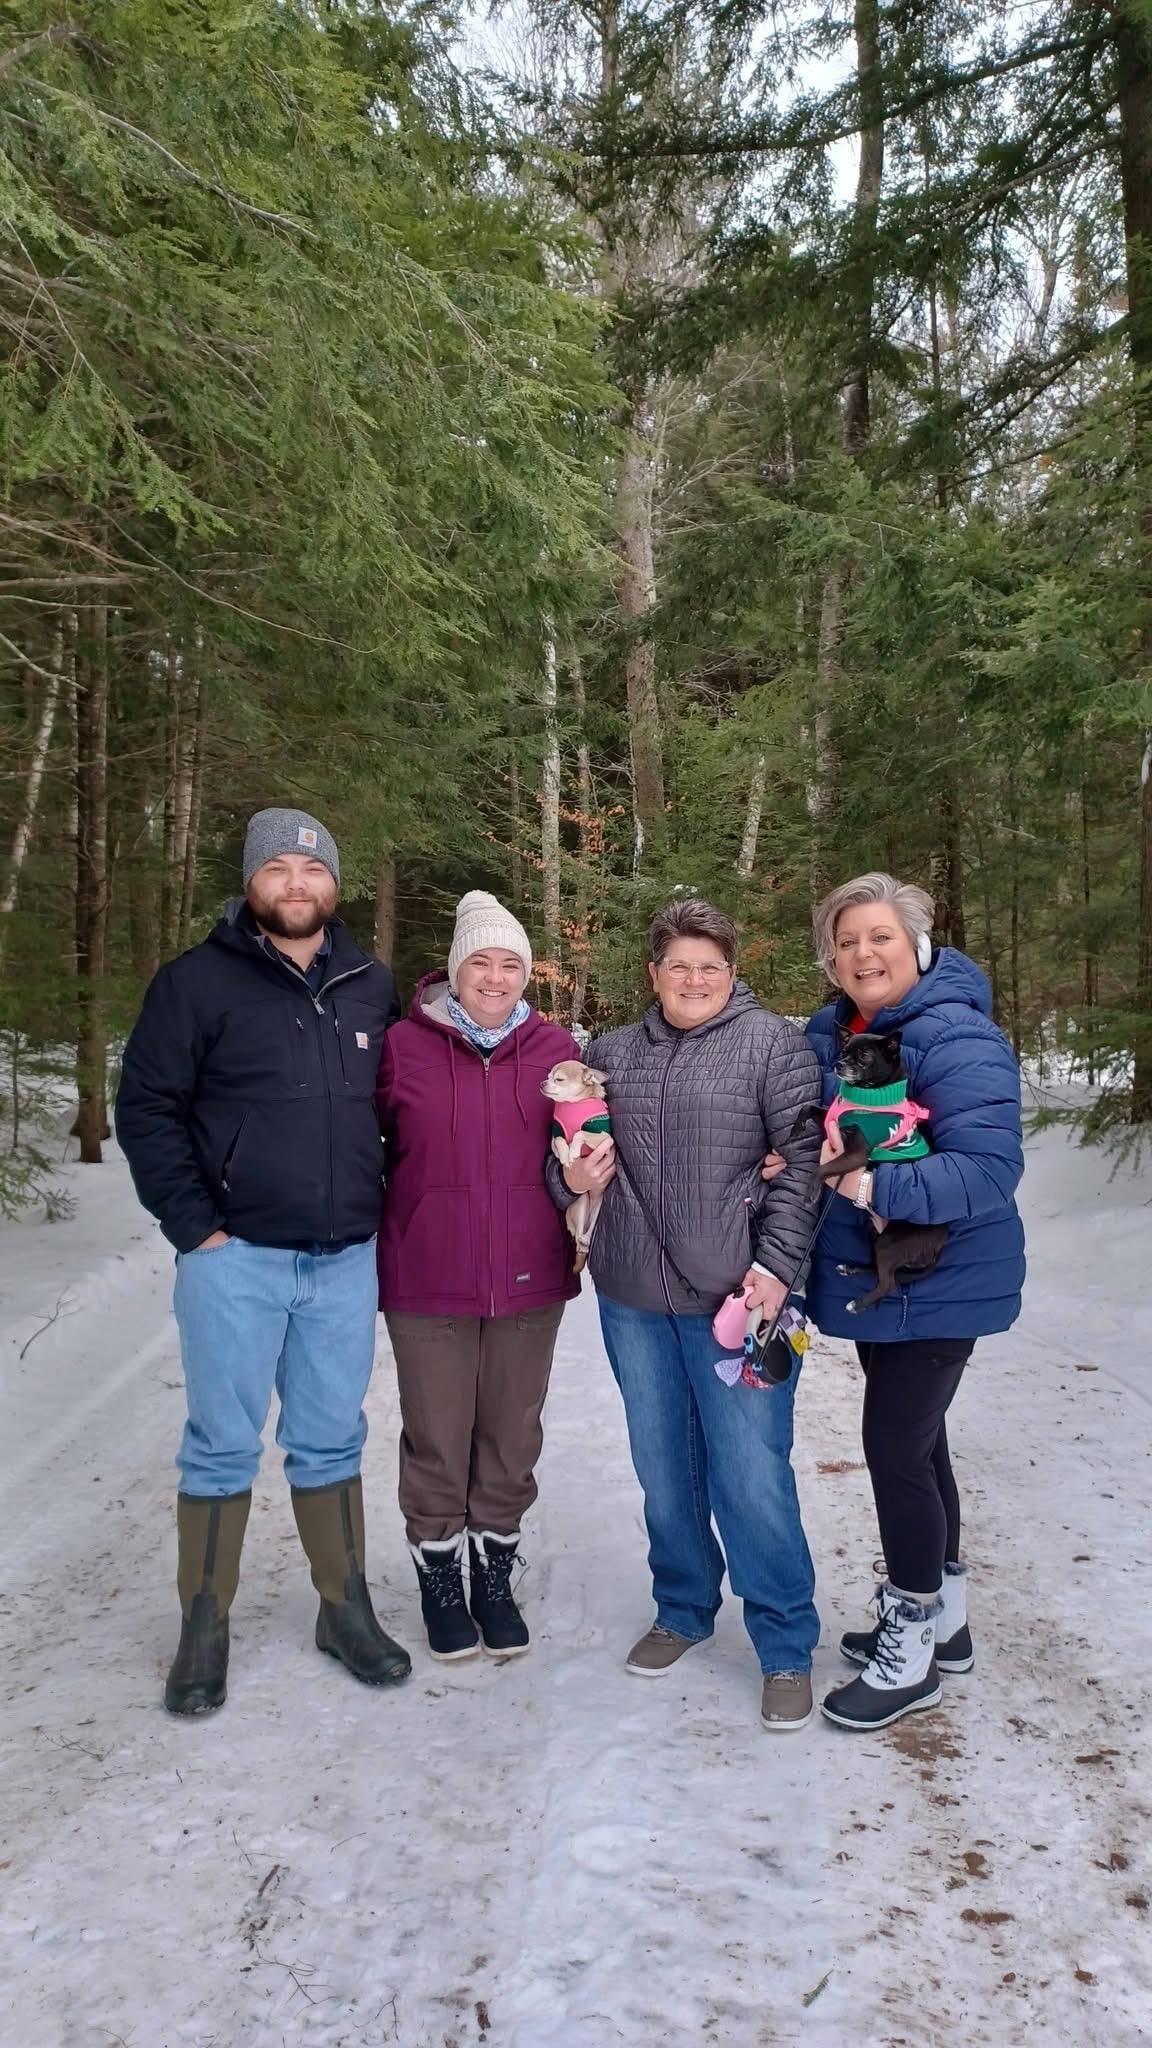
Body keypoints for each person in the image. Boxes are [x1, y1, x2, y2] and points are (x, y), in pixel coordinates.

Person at [116, 808, 412, 1715]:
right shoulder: (195, 983)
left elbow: (404, 1108)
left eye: (312, 868)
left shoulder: (370, 984)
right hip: (234, 1258)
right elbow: (147, 1107)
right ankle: (203, 1627)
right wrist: (194, 1224)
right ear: (251, 881)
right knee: (220, 1445)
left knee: (331, 1436)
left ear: (334, 884)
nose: (296, 882)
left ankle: (344, 1609)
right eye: (277, 867)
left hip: (342, 1260)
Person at [554, 898, 824, 1732]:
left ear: (732, 973)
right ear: (654, 973)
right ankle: (683, 1605)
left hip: (741, 1302)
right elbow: (569, 1148)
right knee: (664, 1466)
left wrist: (776, 1269)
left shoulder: (772, 1046)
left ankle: (784, 1642)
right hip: (634, 1300)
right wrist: (570, 1180)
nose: (695, 979)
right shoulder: (609, 1054)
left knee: (752, 1474)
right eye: (680, 965)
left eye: (711, 966)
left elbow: (803, 1166)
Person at [772, 872, 1025, 1732]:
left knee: (894, 1448)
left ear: (915, 945)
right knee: (922, 1443)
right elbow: (829, 1135)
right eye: (845, 942)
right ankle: (946, 1623)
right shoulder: (838, 1034)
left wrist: (869, 1183)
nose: (862, 953)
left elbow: (987, 1169)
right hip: (886, 1280)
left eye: (879, 936)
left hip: (941, 1279)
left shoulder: (956, 1035)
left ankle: (910, 1646)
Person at [376, 891, 580, 1662]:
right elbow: (362, 1147)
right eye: (480, 963)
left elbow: (586, 1144)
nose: (495, 978)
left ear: (526, 974)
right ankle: (440, 1582)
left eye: (510, 965)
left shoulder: (556, 1049)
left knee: (511, 1435)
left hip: (530, 1277)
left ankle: (493, 1580)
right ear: (455, 971)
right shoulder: (402, 1047)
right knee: (437, 1435)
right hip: (427, 1278)